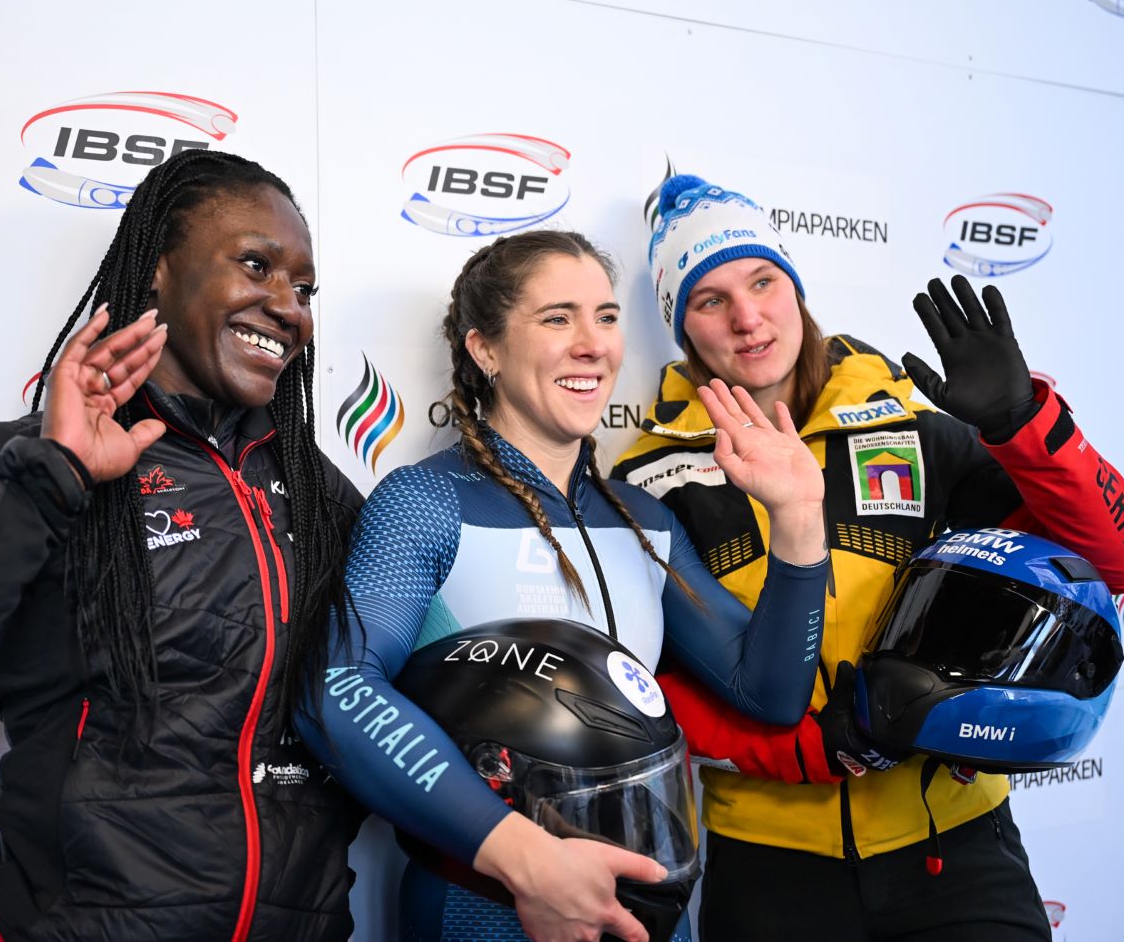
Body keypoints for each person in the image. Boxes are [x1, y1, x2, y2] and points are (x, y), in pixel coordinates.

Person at [0, 150, 365, 942]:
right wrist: (52, 475)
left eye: (303, 288)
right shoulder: (25, 460)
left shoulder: (316, 490)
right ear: (160, 272)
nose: (290, 307)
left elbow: (392, 706)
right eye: (256, 266)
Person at [613, 174, 1124, 941]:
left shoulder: (916, 431)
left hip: (955, 849)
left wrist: (1024, 423)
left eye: (764, 281)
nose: (748, 318)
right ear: (683, 327)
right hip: (771, 870)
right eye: (710, 299)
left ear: (794, 289)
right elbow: (653, 690)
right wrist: (818, 749)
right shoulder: (647, 480)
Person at [296, 230, 832, 942]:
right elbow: (335, 693)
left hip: (650, 914)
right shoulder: (427, 501)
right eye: (558, 318)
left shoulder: (644, 517)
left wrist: (797, 518)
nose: (593, 344)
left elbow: (769, 693)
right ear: (484, 348)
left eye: (607, 317)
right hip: (483, 909)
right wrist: (524, 858)